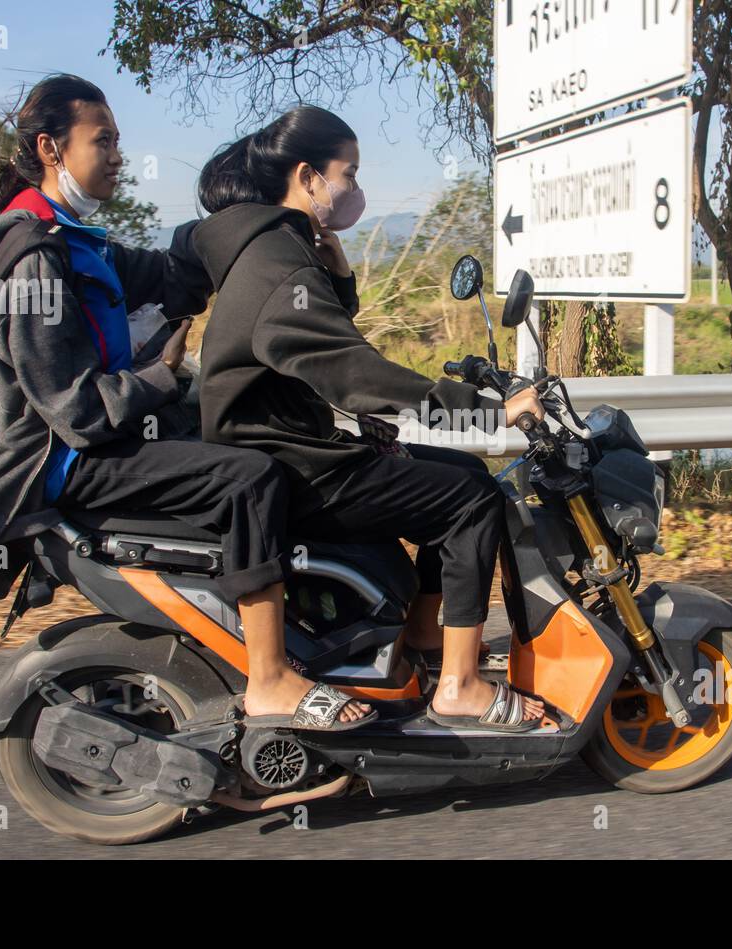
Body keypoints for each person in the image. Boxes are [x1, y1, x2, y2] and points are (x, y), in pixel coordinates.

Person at [0, 75, 375, 732]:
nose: (119, 154)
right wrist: (160, 376)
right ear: (50, 148)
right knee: (249, 477)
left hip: (100, 442)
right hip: (64, 460)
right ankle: (269, 680)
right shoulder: (35, 255)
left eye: (119, 140)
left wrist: (259, 221)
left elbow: (171, 273)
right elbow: (73, 408)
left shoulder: (74, 241)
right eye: (104, 140)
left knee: (256, 446)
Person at [193, 105, 549, 732]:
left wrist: (340, 276)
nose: (356, 191)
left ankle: (421, 638)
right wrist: (488, 414)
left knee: (458, 471)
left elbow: (312, 351)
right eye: (348, 175)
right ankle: (460, 688)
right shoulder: (280, 262)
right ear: (308, 177)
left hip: (290, 445)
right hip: (292, 466)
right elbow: (353, 373)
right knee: (473, 500)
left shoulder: (276, 249)